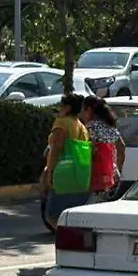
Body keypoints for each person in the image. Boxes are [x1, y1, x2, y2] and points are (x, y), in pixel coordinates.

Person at [41, 94, 91, 228]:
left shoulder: (62, 123)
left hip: (63, 172)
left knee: (52, 215)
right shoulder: (81, 126)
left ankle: (65, 240)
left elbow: (56, 147)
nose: (58, 109)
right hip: (80, 174)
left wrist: (49, 172)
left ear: (67, 108)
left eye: (61, 106)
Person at [81, 95, 126, 203]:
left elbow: (88, 151)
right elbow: (122, 148)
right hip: (112, 177)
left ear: (89, 110)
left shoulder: (90, 127)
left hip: (97, 179)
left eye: (83, 110)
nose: (81, 114)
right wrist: (117, 169)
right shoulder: (110, 127)